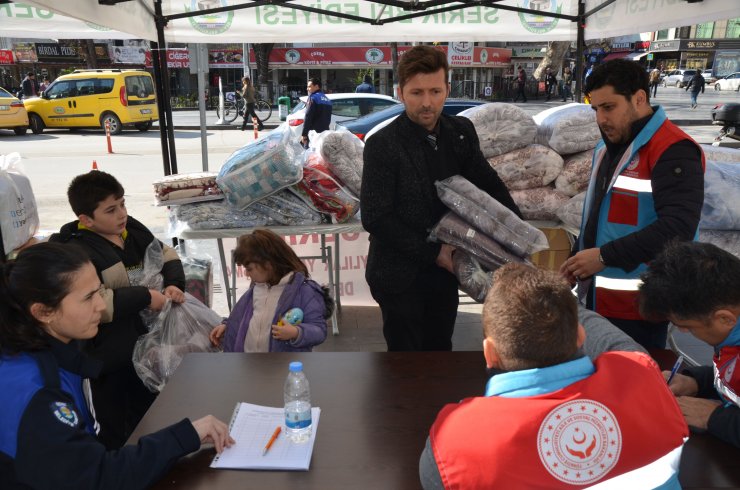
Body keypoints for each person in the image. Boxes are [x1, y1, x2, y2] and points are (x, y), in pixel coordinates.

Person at [419, 263, 688, 489]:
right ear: (580, 336)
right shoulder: (642, 376)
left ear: (489, 353)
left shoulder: (454, 443)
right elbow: (611, 338)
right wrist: (553, 299)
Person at [0, 242, 234, 489]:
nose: (101, 306)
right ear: (44, 312)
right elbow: (100, 478)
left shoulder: (47, 352)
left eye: (99, 292)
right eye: (88, 297)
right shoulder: (38, 395)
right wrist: (185, 435)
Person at [361, 45, 521, 352]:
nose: (427, 102)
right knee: (405, 362)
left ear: (447, 89)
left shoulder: (460, 131)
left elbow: (488, 184)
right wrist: (433, 252)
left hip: (446, 271)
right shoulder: (383, 144)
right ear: (400, 92)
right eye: (416, 92)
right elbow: (376, 217)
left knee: (440, 351)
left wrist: (517, 234)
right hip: (399, 273)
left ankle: (439, 404)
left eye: (435, 91)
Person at [559, 58, 704, 350]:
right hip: (599, 298)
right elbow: (598, 215)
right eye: (596, 109)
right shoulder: (607, 147)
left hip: (641, 306)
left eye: (609, 107)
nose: (601, 119)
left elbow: (678, 228)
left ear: (639, 98)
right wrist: (578, 258)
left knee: (632, 385)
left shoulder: (673, 150)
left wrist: (602, 257)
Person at [49, 170, 187, 449]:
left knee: (151, 417)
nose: (121, 214)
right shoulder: (75, 251)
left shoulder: (132, 231)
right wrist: (146, 296)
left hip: (146, 350)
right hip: (108, 363)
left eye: (123, 204)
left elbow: (168, 255)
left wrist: (173, 284)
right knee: (115, 430)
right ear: (86, 219)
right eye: (111, 210)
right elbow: (99, 305)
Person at [639, 241, 740, 448]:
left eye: (687, 326)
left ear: (724, 319)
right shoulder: (731, 329)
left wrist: (713, 417)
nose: (684, 332)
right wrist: (697, 382)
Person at [209, 229, 333, 352]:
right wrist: (227, 325)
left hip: (282, 365)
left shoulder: (304, 291)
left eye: (249, 269)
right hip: (250, 362)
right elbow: (239, 316)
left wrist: (296, 333)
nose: (247, 274)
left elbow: (319, 330)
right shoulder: (256, 289)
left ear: (268, 264)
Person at [300, 77, 332, 149]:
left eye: (309, 87)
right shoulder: (327, 99)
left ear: (316, 86)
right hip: (324, 133)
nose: (307, 89)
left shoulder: (313, 98)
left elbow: (308, 116)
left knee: (309, 156)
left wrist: (304, 134)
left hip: (313, 134)